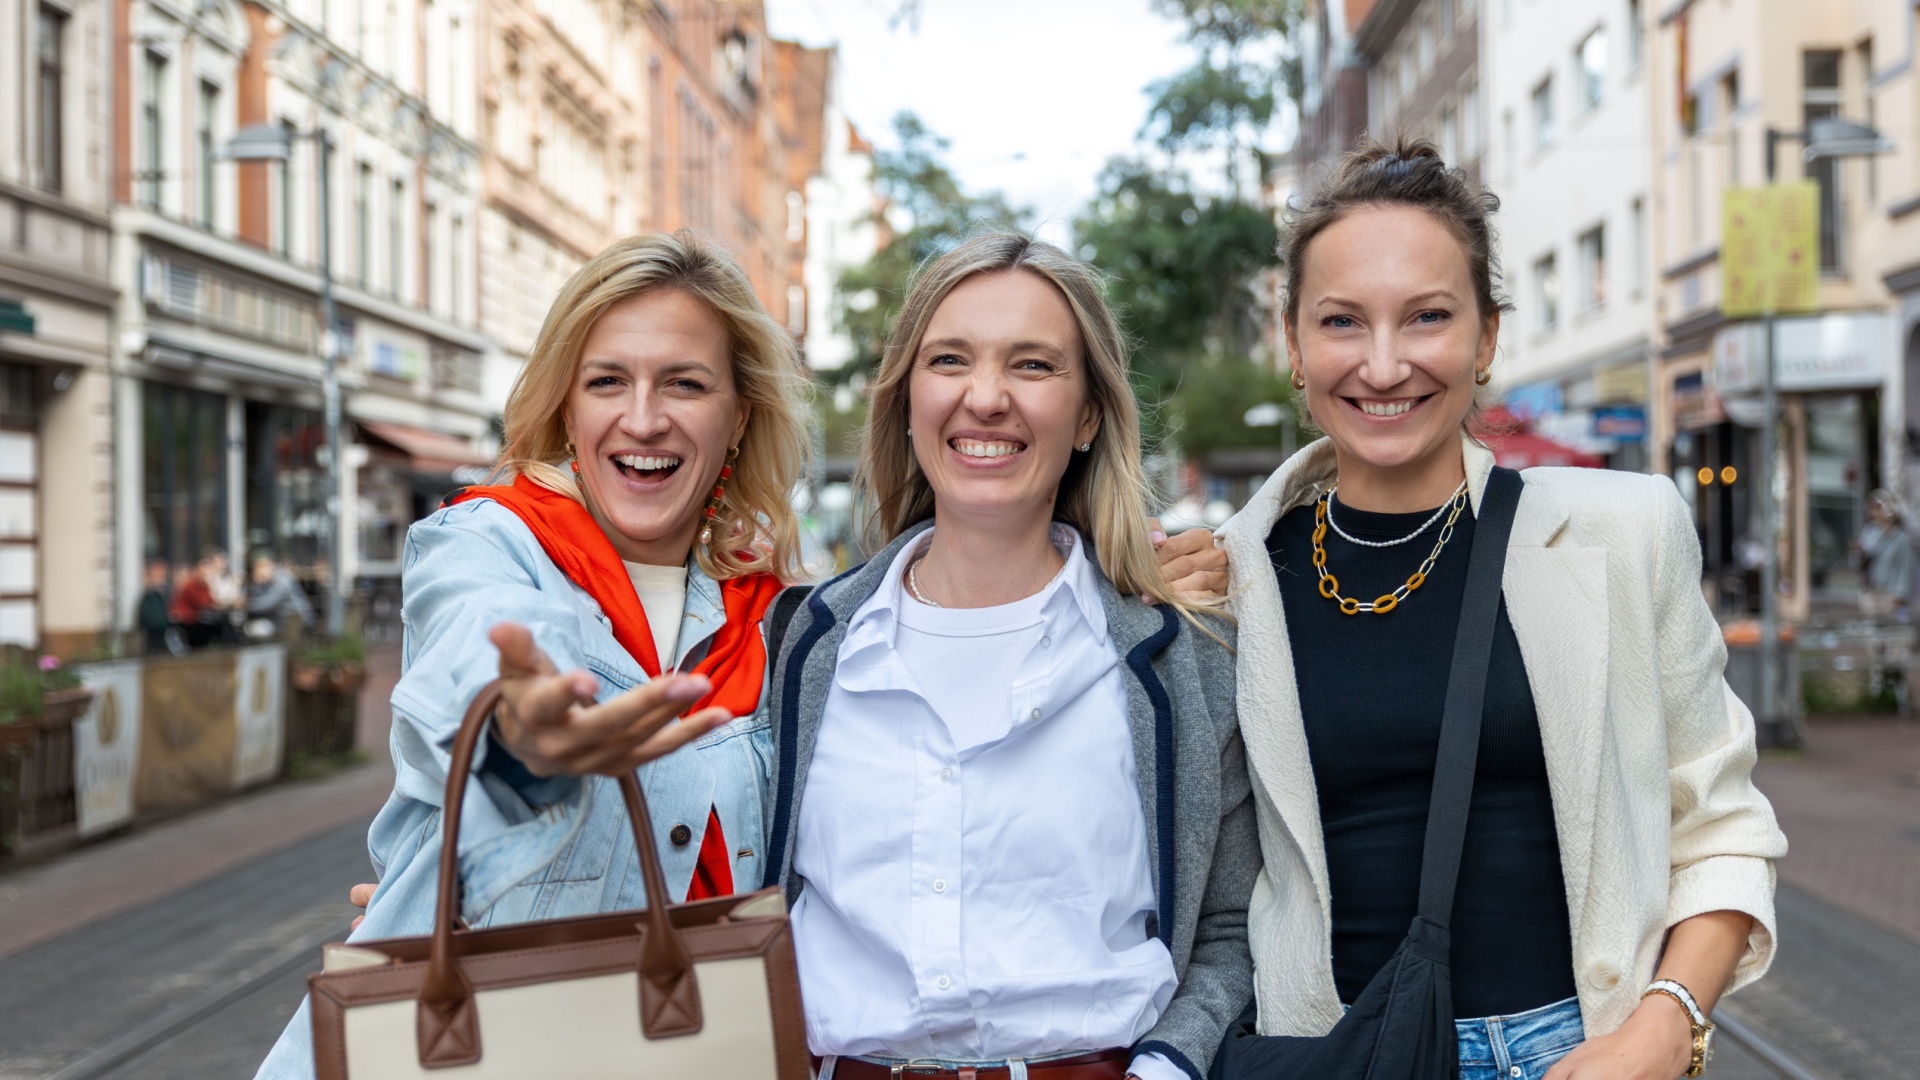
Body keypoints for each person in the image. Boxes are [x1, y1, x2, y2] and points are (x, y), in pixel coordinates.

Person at [259, 229, 1240, 1079]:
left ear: (737, 418)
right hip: (478, 1046)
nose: (643, 418)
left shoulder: (784, 626)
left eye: (683, 383)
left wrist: (1147, 574)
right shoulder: (491, 547)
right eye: (608, 381)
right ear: (567, 407)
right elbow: (479, 674)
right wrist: (525, 736)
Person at [1213, 138, 1786, 1080]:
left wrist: (1664, 1024)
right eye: (1343, 322)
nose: (1385, 364)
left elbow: (1722, 824)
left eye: (1428, 317)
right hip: (1336, 1054)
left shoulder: (1625, 532)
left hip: (1582, 1052)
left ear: (1485, 339)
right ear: (1294, 345)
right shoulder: (1229, 582)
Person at [756, 233, 1253, 1080]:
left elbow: (1232, 925)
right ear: (907, 398)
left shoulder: (1183, 653)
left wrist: (1166, 1067)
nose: (985, 398)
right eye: (950, 360)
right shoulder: (801, 645)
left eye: (1032, 366)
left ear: (1090, 412)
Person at [1857, 489, 1914, 618]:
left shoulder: (1901, 538)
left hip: (1890, 593)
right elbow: (1866, 555)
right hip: (1870, 590)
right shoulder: (1869, 532)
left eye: (1878, 507)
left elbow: (1905, 569)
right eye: (1872, 507)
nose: (1875, 511)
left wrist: (1900, 595)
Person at [245, 550, 316, 640]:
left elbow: (266, 604)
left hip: (298, 622)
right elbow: (255, 597)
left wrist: (243, 605)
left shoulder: (283, 580)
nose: (257, 572)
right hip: (280, 622)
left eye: (261, 567)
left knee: (259, 630)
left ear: (270, 565)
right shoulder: (264, 581)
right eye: (256, 569)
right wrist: (253, 584)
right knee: (252, 629)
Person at [136, 559, 178, 654]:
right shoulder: (149, 597)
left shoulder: (164, 595)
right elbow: (150, 620)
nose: (160, 579)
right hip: (153, 642)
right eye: (157, 576)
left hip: (164, 640)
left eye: (162, 576)